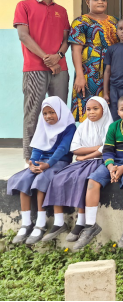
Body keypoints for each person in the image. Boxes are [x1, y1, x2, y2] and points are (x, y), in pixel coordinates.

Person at [74, 94, 123, 250]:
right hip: (113, 163)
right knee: (92, 182)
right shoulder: (113, 127)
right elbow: (107, 150)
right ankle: (90, 225)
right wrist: (111, 167)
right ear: (118, 111)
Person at [14, 0, 71, 162]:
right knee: (33, 112)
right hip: (34, 68)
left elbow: (66, 40)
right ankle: (29, 157)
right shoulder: (24, 5)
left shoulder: (61, 10)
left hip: (60, 69)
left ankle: (58, 155)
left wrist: (58, 56)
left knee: (59, 112)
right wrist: (48, 58)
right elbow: (23, 36)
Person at [42, 97, 113, 242]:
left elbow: (106, 149)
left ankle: (81, 222)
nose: (91, 112)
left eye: (95, 109)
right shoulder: (83, 125)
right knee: (58, 177)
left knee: (81, 179)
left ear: (104, 110)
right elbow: (75, 148)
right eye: (88, 109)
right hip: (82, 161)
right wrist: (96, 148)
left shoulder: (109, 126)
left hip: (100, 161)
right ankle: (59, 222)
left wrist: (87, 155)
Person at [8, 97, 76, 245]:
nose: (48, 116)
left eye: (52, 112)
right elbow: (38, 146)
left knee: (40, 181)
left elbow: (63, 149)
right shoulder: (43, 125)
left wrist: (49, 164)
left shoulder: (69, 127)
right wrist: (32, 163)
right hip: (42, 162)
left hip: (59, 162)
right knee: (25, 179)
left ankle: (40, 222)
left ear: (59, 111)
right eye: (45, 113)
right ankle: (26, 223)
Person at [70, 0, 118, 122]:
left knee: (110, 107)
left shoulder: (115, 21)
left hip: (112, 70)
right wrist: (80, 75)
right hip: (89, 72)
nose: (100, 2)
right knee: (89, 106)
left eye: (103, 0)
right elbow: (76, 50)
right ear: (87, 2)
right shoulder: (80, 21)